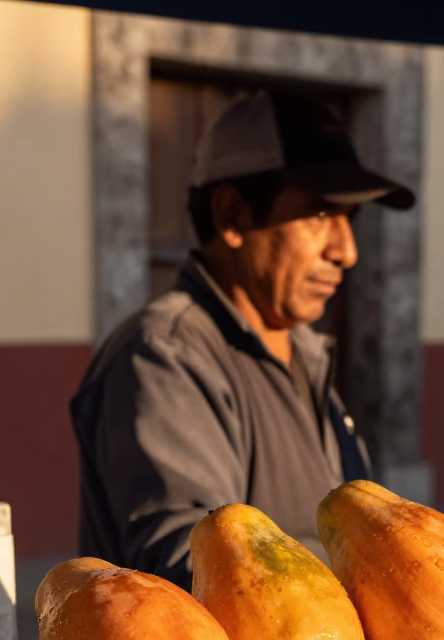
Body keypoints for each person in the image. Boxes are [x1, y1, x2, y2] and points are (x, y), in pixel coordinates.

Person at [71, 88, 415, 589]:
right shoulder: (164, 356)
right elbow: (197, 574)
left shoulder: (302, 348)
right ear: (233, 215)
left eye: (352, 219)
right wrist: (386, 585)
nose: (347, 250)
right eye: (320, 214)